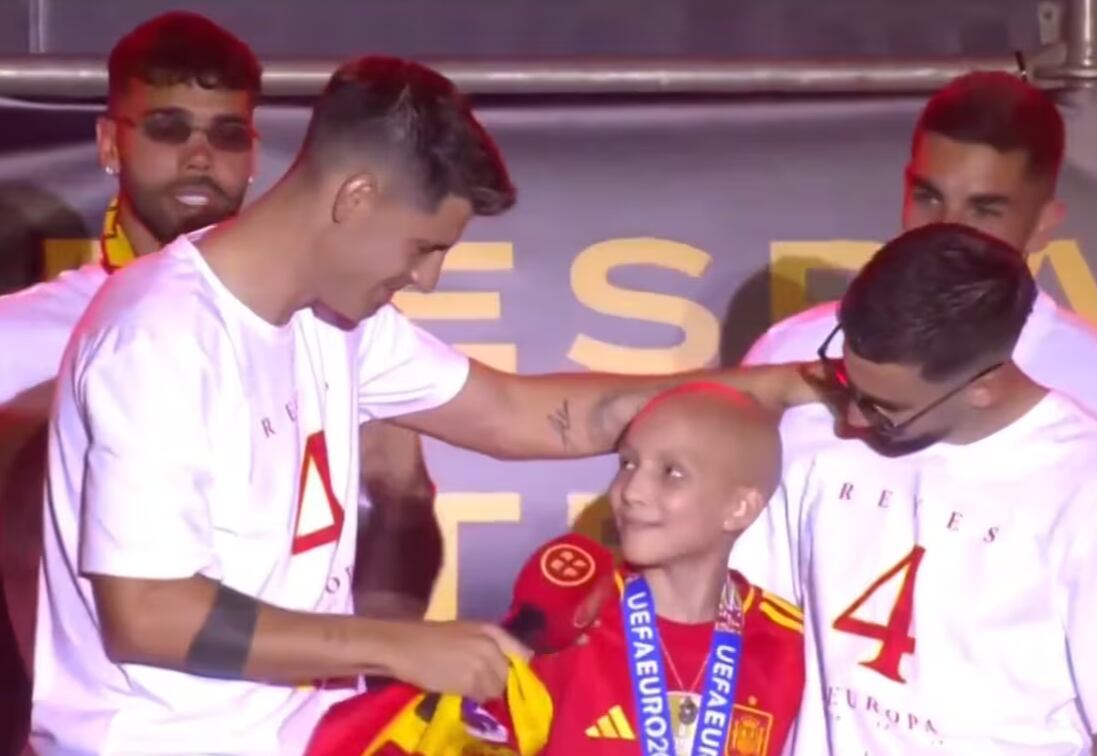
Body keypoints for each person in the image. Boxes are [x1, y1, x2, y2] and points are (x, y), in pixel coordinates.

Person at [32, 56, 816, 755]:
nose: (428, 279)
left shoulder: (335, 321)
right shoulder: (162, 337)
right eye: (424, 247)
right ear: (356, 197)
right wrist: (396, 645)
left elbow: (519, 414)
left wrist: (782, 387)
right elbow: (149, 613)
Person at [0, 8, 442, 693]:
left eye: (228, 134)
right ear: (110, 143)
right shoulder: (17, 336)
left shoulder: (332, 319)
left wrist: (378, 675)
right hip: (112, 724)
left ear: (255, 155)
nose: (201, 155)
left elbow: (404, 502)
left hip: (299, 727)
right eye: (168, 128)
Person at [736, 71, 1097, 612]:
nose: (945, 229)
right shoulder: (789, 351)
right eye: (928, 197)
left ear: (1043, 224)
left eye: (985, 209)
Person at [758, 223, 1097, 754]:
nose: (850, 419)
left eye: (885, 410)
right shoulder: (810, 432)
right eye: (846, 381)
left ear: (984, 387)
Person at [525, 383, 813, 755]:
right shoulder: (568, 620)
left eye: (671, 472)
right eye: (627, 463)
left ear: (739, 508)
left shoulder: (792, 647)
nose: (632, 491)